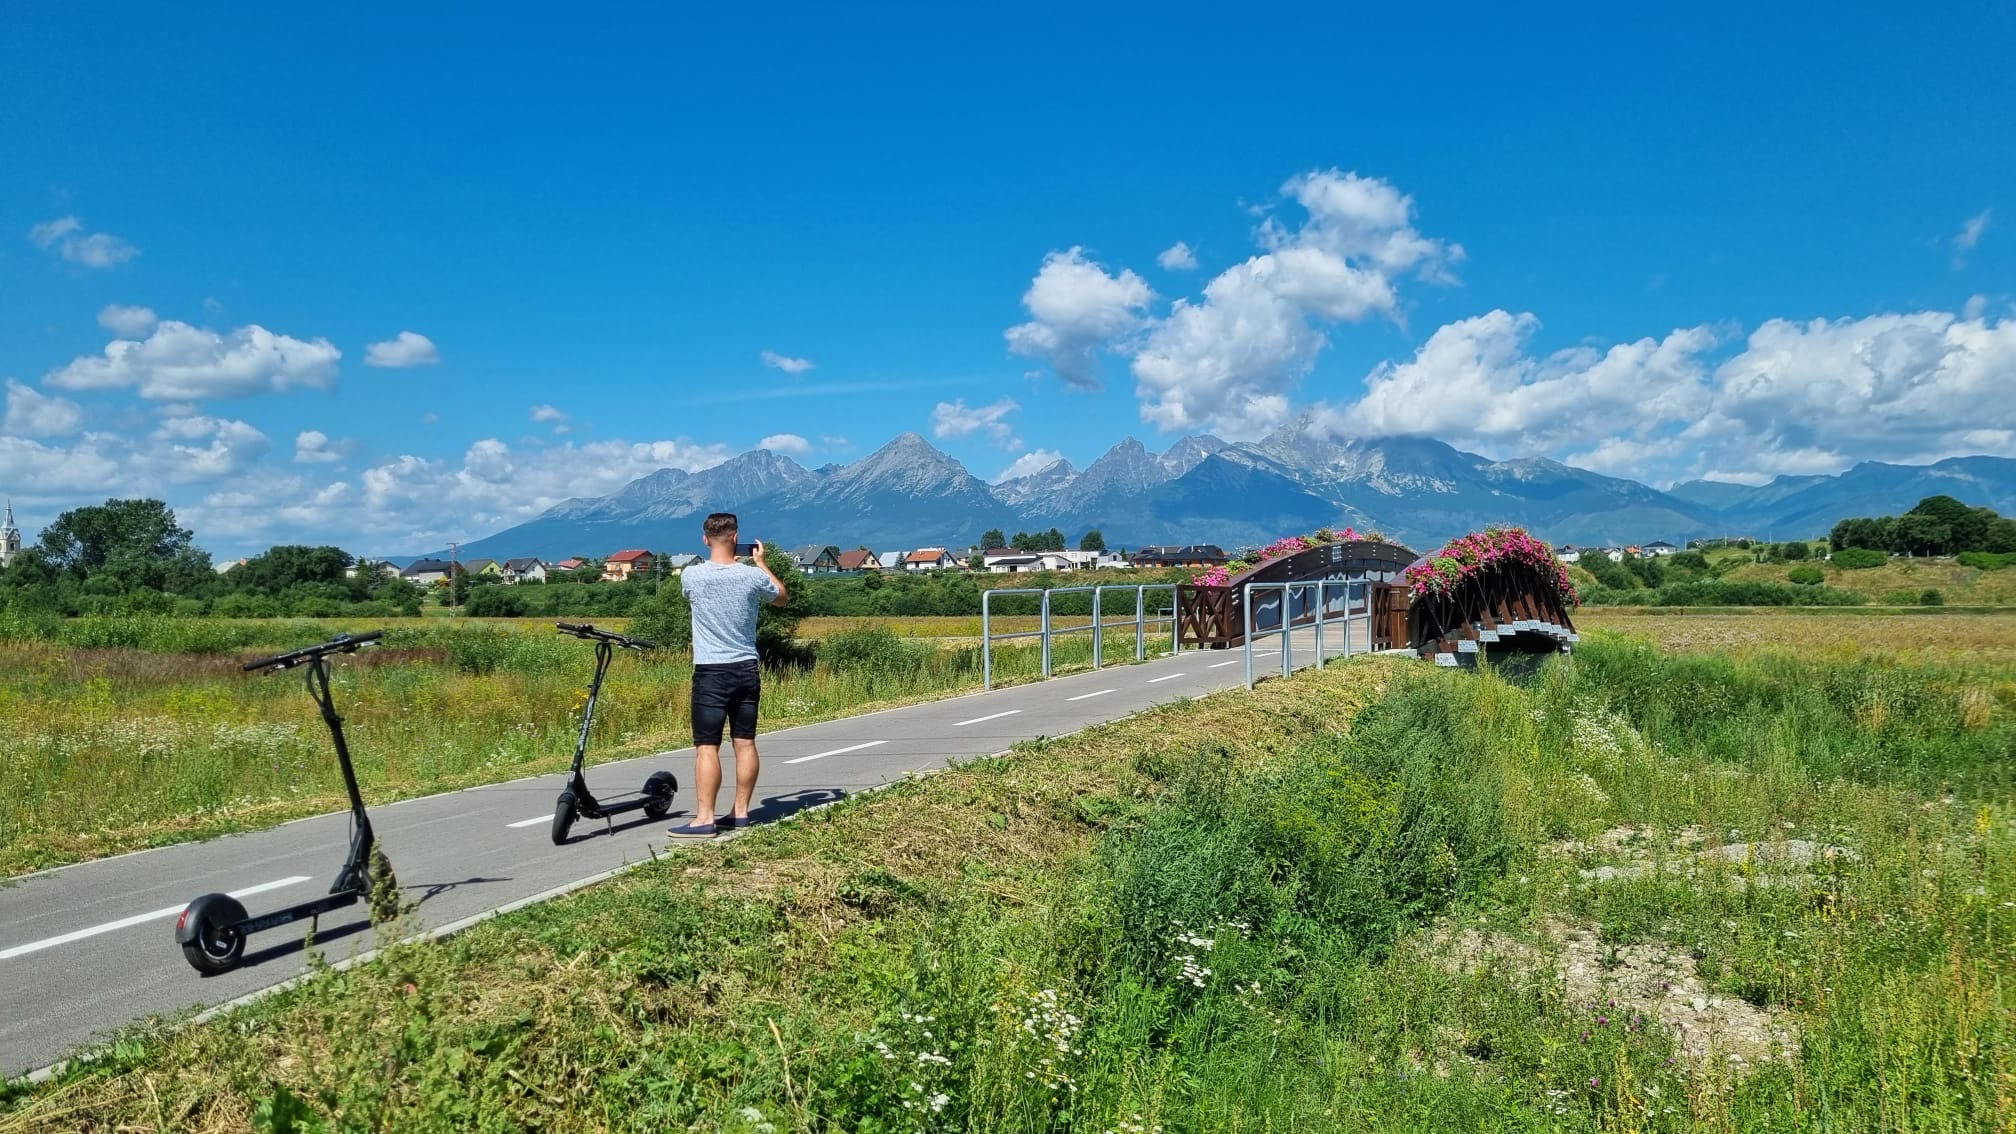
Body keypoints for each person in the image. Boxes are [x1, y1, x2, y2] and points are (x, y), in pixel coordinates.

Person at [667, 512, 789, 839]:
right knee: (745, 742)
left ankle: (705, 818)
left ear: (705, 539)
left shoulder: (691, 576)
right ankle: (741, 813)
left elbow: (694, 592)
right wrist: (760, 563)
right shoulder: (751, 577)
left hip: (710, 672)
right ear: (737, 538)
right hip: (746, 668)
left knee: (707, 746)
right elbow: (781, 597)